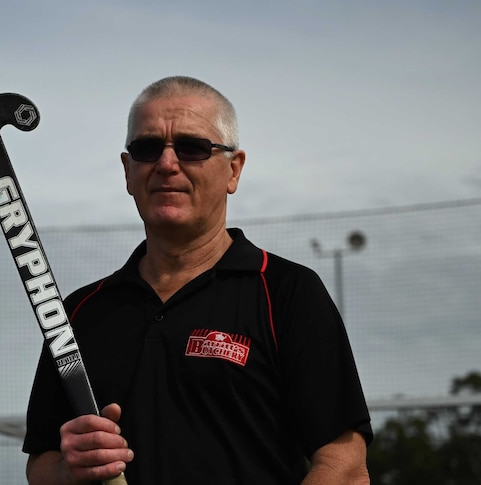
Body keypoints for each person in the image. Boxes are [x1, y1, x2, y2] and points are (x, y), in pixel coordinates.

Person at [23, 75, 373, 484]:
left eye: (192, 148)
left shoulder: (286, 292)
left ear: (233, 170)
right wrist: (71, 469)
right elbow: (41, 467)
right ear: (128, 170)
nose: (167, 164)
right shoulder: (80, 312)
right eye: (147, 148)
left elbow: (345, 466)